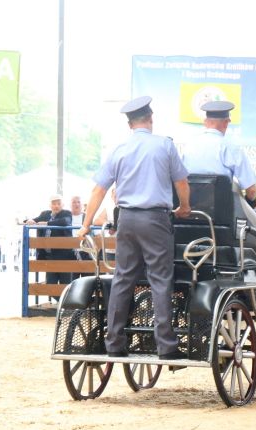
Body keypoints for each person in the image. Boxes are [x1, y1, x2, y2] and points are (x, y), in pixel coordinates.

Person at [77, 96, 191, 361]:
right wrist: (184, 207)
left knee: (123, 278)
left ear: (129, 124)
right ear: (150, 119)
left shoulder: (119, 150)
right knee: (160, 279)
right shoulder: (165, 146)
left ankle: (114, 341)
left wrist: (85, 224)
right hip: (156, 219)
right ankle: (166, 344)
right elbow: (182, 182)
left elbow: (99, 189)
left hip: (125, 219)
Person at [181, 100, 256, 207]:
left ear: (205, 122)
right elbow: (252, 190)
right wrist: (250, 203)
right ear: (226, 123)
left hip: (190, 213)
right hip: (222, 216)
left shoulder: (188, 145)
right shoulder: (230, 147)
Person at [27, 195, 74, 300]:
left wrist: (47, 223)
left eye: (58, 203)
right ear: (50, 205)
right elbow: (35, 220)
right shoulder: (45, 214)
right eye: (54, 203)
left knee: (65, 284)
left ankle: (65, 306)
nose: (56, 206)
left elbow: (65, 222)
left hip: (64, 256)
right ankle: (61, 304)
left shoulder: (66, 213)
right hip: (49, 256)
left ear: (63, 204)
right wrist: (29, 220)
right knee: (50, 284)